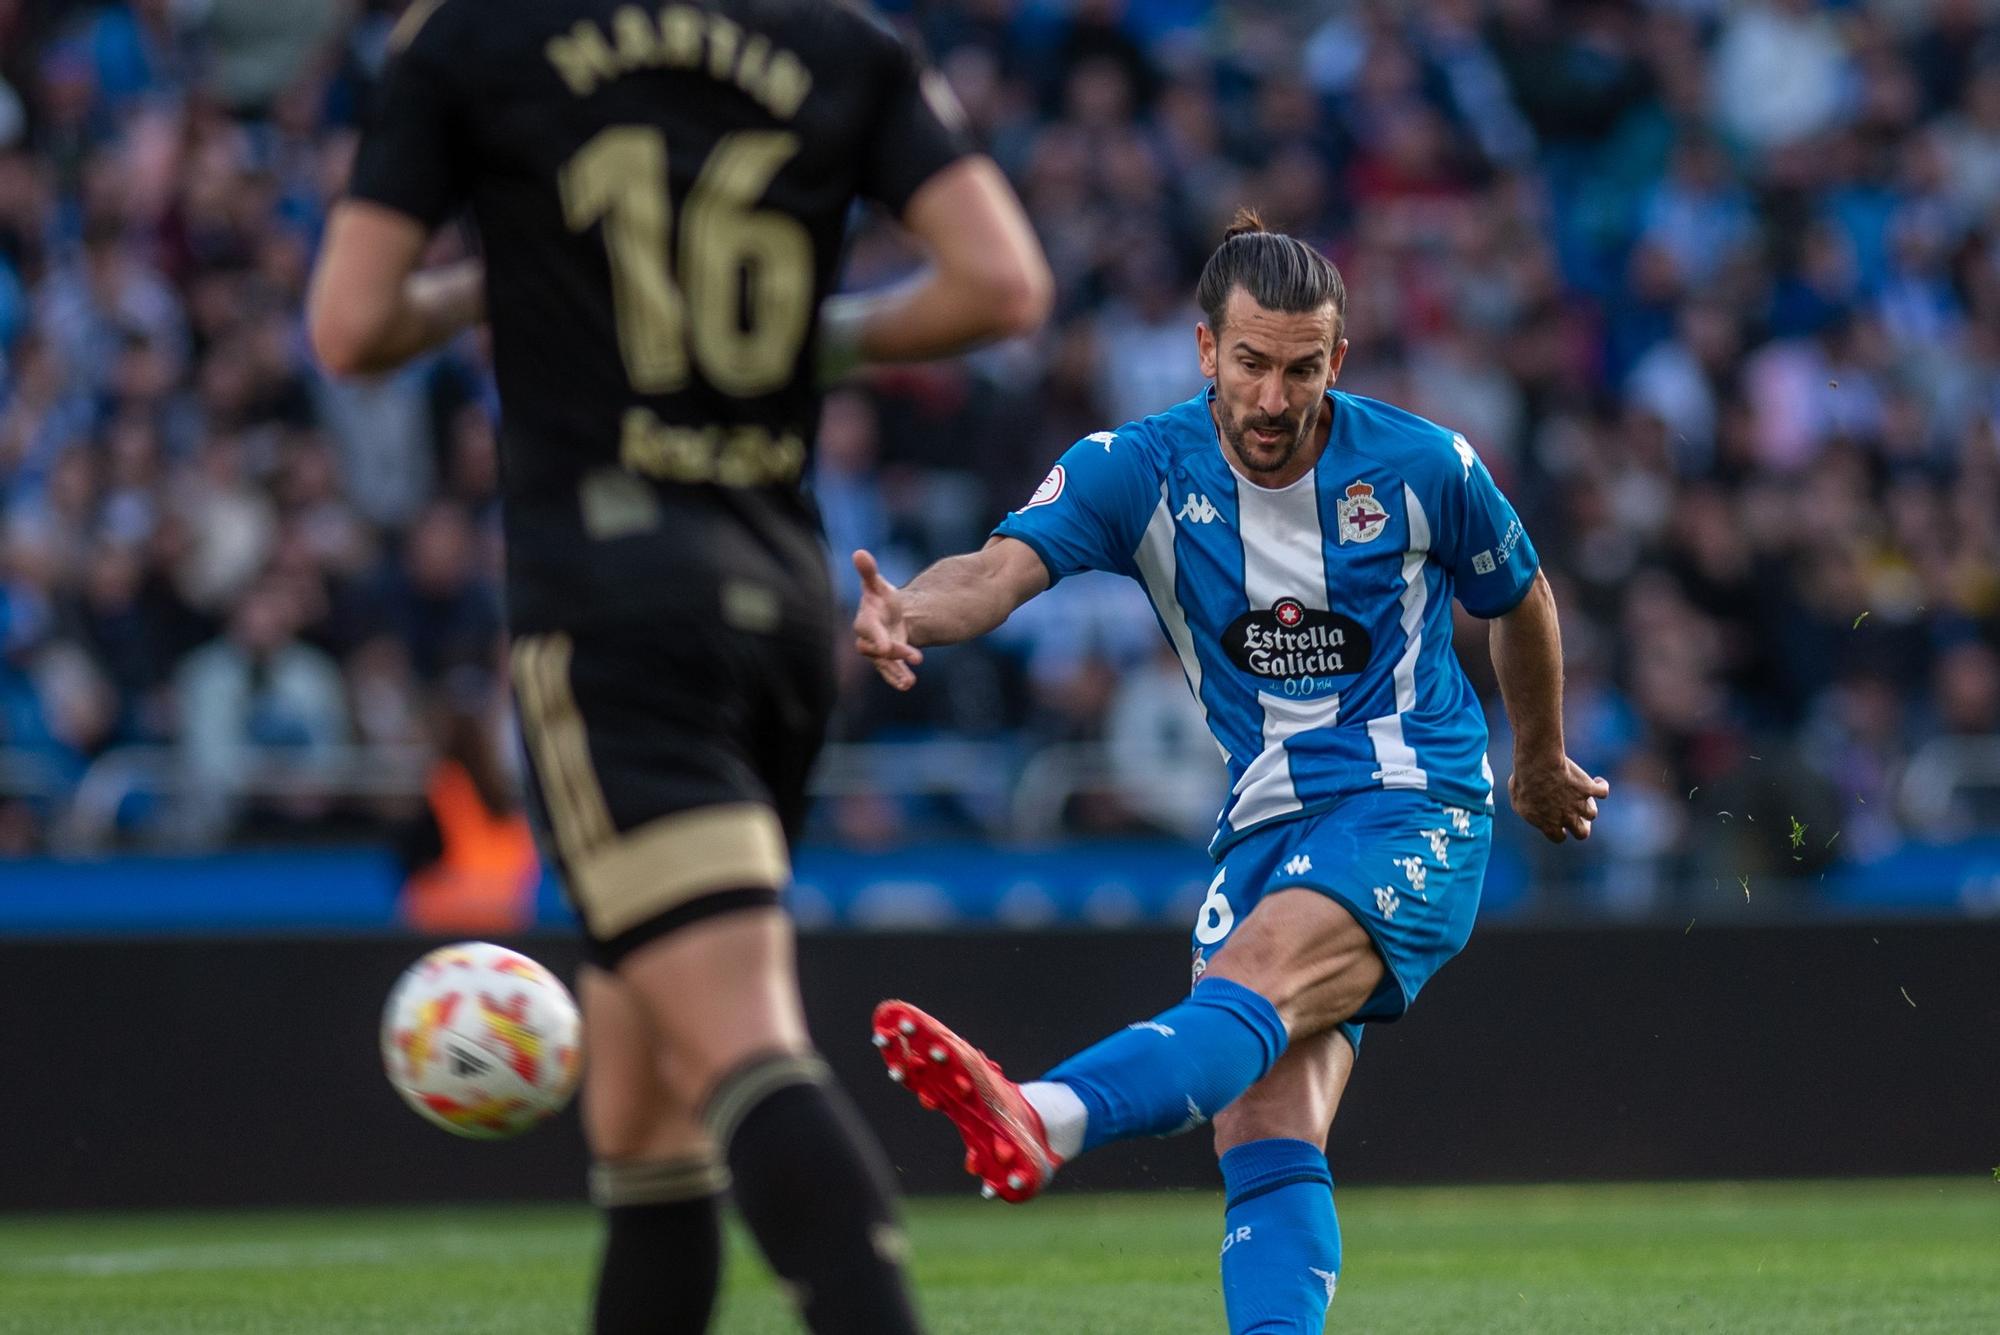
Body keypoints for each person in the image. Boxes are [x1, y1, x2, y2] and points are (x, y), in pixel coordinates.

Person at [306, 2, 1052, 1332]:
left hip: (610, 612)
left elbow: (350, 326)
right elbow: (1002, 285)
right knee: (647, 1129)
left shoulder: (473, 41)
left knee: (745, 1050)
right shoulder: (845, 41)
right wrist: (826, 340)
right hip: (777, 603)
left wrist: (509, 279)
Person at [854, 211, 1606, 1334]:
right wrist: (906, 607)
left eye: (1301, 369)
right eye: (1249, 363)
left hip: (1411, 802)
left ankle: (1045, 1113)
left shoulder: (1419, 465)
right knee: (1261, 1130)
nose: (1270, 398)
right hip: (1260, 824)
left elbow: (1520, 600)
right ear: (1204, 350)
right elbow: (1001, 569)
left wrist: (1536, 757)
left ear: (1335, 361)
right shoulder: (1135, 469)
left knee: (1249, 978)